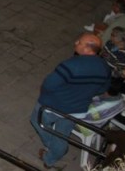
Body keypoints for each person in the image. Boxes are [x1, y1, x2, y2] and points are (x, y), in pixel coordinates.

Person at [31, 32, 111, 169]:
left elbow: (49, 84)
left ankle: (56, 149)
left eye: (79, 42)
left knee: (36, 120)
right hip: (77, 109)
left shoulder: (71, 65)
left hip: (53, 106)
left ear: (87, 49)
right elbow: (102, 88)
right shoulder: (104, 67)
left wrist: (46, 95)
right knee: (62, 133)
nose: (75, 43)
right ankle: (49, 159)